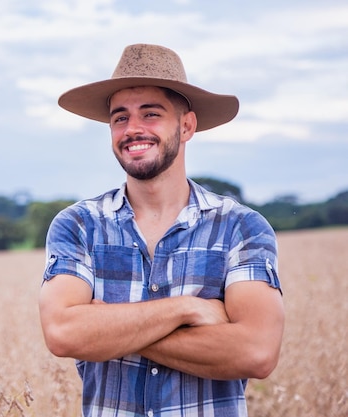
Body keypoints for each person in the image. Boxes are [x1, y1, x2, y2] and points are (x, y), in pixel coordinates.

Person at [38, 44, 284, 417]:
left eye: (150, 114)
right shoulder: (79, 226)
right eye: (120, 118)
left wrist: (109, 328)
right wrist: (188, 309)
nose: (132, 129)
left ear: (186, 126)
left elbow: (257, 351)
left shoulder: (240, 227)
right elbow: (63, 333)